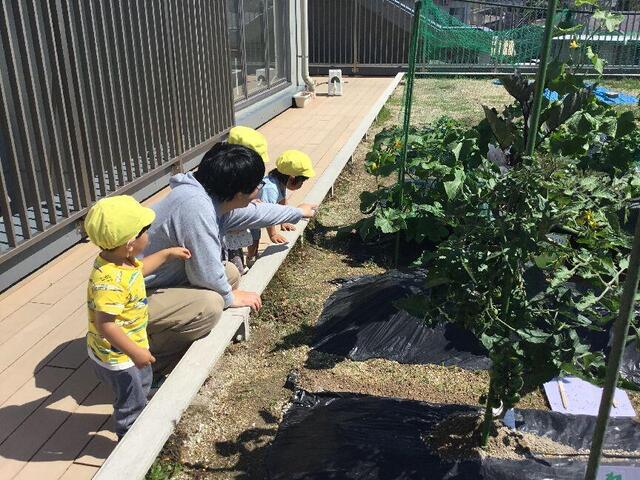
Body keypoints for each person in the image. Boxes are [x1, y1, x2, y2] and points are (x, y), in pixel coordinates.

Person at [144, 143, 317, 373]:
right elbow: (204, 272)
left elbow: (257, 213)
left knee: (230, 273)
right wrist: (228, 296)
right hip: (132, 300)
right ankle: (151, 364)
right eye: (257, 185)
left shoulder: (211, 195)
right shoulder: (196, 209)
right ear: (238, 193)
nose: (260, 189)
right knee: (210, 306)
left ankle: (175, 334)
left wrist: (297, 212)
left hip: (165, 281)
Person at [84, 195, 191, 439]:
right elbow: (105, 324)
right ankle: (131, 439)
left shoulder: (120, 261)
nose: (149, 235)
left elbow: (139, 271)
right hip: (119, 356)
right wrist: (135, 352)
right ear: (131, 242)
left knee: (141, 381)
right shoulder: (109, 282)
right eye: (145, 231)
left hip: (129, 344)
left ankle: (144, 396)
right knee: (129, 399)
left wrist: (166, 254)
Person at [247, 150, 316, 262]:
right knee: (254, 236)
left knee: (256, 233)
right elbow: (268, 214)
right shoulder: (271, 188)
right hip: (253, 213)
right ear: (292, 179)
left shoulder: (280, 181)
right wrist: (273, 234)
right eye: (301, 182)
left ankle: (252, 256)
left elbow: (282, 201)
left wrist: (284, 220)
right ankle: (251, 258)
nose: (301, 185)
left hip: (260, 212)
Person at [224, 126, 270, 273]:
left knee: (236, 257)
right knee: (231, 264)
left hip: (237, 229)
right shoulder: (227, 177)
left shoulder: (242, 176)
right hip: (227, 233)